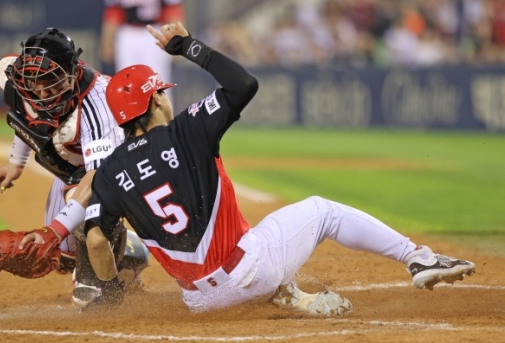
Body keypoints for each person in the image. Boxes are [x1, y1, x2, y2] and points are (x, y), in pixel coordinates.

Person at [83, 22, 476, 315]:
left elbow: (97, 240)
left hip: (199, 301)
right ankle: (419, 257)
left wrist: (112, 291)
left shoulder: (108, 171)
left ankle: (288, 294)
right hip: (249, 272)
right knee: (324, 211)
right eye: (160, 95)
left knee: (247, 236)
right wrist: (187, 46)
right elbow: (243, 84)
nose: (167, 101)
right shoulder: (186, 130)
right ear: (152, 103)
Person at [0, 27, 149, 308]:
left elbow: (98, 180)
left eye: (50, 81)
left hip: (124, 170)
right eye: (33, 82)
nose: (40, 90)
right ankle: (132, 253)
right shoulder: (21, 81)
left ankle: (99, 285)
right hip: (76, 167)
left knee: (85, 212)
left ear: (72, 74)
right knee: (63, 257)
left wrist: (54, 229)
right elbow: (26, 115)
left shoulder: (99, 103)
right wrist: (17, 162)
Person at [100, 0, 184, 84]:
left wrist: (177, 40)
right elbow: (112, 14)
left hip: (154, 33)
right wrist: (108, 41)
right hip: (127, 33)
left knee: (157, 79)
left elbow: (174, 11)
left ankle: (159, 101)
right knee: (126, 80)